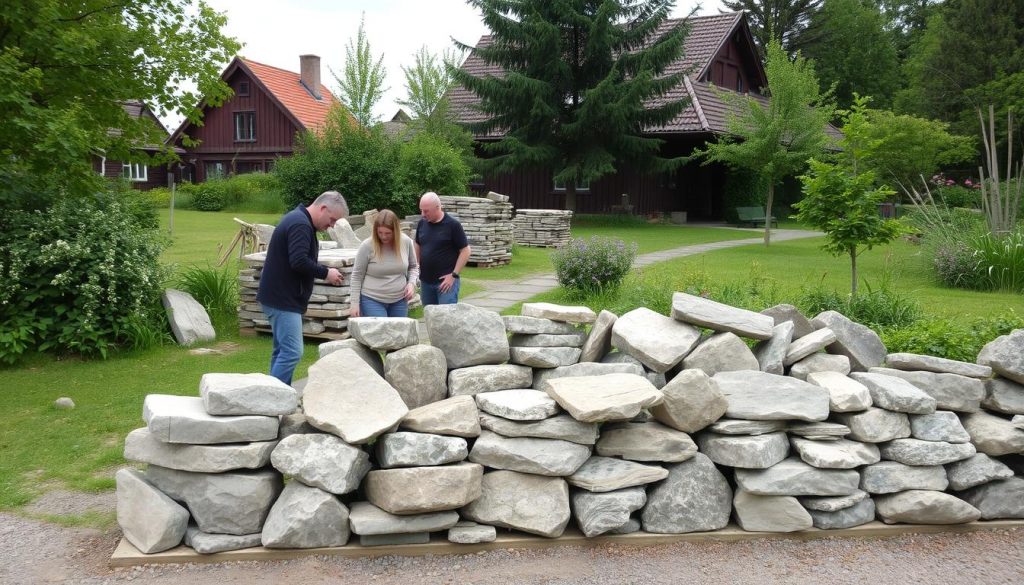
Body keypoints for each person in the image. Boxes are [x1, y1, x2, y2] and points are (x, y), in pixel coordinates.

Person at [257, 191, 348, 385]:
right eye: (332, 220)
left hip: (278, 297)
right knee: (292, 351)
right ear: (323, 208)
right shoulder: (300, 224)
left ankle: (280, 396)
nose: (331, 226)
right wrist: (326, 273)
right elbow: (298, 261)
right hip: (282, 299)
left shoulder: (298, 219)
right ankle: (274, 400)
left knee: (282, 350)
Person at [349, 209, 419, 317]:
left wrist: (411, 284)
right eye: (380, 232)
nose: (383, 236)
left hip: (400, 299)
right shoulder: (367, 246)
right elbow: (357, 275)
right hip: (371, 299)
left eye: (388, 233)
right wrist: (354, 303)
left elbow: (413, 267)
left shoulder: (406, 242)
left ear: (395, 231)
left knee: (398, 333)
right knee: (380, 333)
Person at [414, 191, 471, 305]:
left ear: (437, 207)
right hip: (426, 281)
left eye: (426, 211)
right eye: (421, 210)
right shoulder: (422, 223)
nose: (422, 214)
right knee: (430, 317)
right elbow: (417, 244)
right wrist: (417, 265)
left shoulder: (453, 225)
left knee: (446, 318)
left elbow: (466, 251)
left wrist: (454, 275)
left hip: (446, 283)